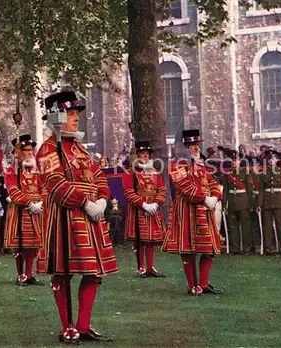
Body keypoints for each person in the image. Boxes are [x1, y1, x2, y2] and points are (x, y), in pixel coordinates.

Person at [36, 90, 117, 343]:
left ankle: (83, 325)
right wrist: (84, 202)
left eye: (76, 114)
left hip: (90, 218)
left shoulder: (81, 149)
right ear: (57, 117)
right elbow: (55, 185)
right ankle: (66, 327)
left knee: (93, 273)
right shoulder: (48, 150)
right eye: (70, 114)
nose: (76, 119)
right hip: (65, 218)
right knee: (62, 273)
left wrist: (102, 199)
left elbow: (99, 176)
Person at [163, 129, 223, 296]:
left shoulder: (202, 165)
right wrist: (204, 198)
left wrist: (215, 196)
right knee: (188, 249)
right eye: (191, 145)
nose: (195, 148)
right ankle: (192, 285)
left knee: (210, 247)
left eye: (196, 144)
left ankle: (203, 283)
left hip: (205, 210)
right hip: (187, 210)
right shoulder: (177, 164)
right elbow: (182, 186)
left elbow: (211, 182)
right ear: (185, 147)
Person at [122, 140, 166, 277]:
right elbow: (129, 192)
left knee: (151, 241)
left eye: (147, 153)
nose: (145, 155)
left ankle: (150, 268)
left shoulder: (155, 172)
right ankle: (141, 268)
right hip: (139, 209)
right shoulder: (130, 173)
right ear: (137, 155)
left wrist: (156, 203)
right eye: (142, 153)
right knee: (140, 240)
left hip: (153, 208)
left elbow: (162, 189)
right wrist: (143, 205)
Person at [3, 134, 43, 286]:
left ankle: (29, 273)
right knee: (20, 244)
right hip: (21, 211)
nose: (29, 153)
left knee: (33, 245)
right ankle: (21, 275)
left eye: (31, 150)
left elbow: (44, 188)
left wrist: (40, 203)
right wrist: (29, 204)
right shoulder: (12, 171)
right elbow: (13, 191)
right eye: (25, 150)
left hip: (36, 211)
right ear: (18, 152)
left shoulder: (36, 170)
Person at [221, 150, 254, 254]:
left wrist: (251, 204)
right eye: (232, 161)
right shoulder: (228, 174)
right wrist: (224, 204)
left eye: (235, 160)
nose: (233, 162)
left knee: (246, 227)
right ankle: (235, 248)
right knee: (233, 227)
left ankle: (247, 248)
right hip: (232, 202)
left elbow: (249, 189)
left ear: (240, 161)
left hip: (243, 202)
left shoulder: (245, 172)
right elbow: (225, 190)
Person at [258, 150, 281, 254]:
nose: (271, 160)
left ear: (277, 160)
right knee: (267, 227)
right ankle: (269, 248)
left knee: (280, 226)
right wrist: (259, 204)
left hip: (279, 201)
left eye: (274, 158)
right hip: (267, 201)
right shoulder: (263, 174)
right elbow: (261, 190)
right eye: (270, 158)